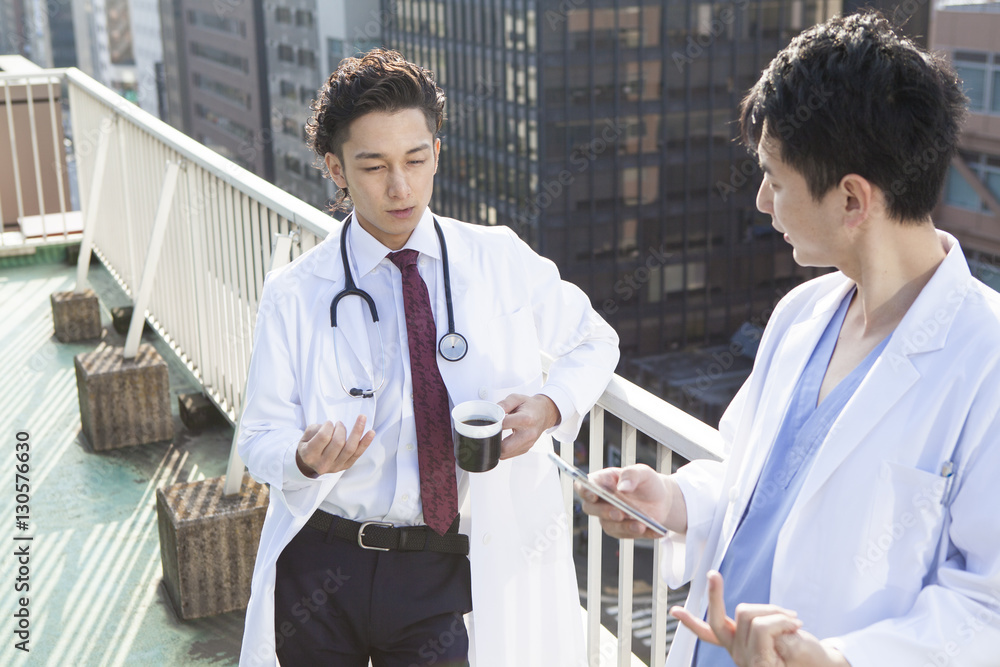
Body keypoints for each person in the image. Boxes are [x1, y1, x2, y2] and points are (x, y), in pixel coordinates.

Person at [580, 11, 1000, 667]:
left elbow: (988, 609)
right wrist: (675, 499)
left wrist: (834, 658)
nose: (760, 201)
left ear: (853, 200)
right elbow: (751, 481)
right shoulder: (802, 313)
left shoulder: (987, 362)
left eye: (775, 180)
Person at [236, 49, 619, 667]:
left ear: (436, 154)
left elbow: (596, 339)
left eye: (416, 160)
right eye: (374, 166)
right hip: (321, 559)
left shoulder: (497, 258)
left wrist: (550, 406)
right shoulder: (295, 293)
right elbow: (258, 437)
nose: (400, 187)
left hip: (439, 565)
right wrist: (302, 459)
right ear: (336, 169)